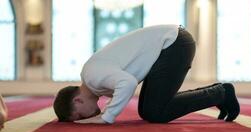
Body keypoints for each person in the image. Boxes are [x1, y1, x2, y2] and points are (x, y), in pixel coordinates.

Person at [53, 25, 240, 124]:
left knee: (155, 112)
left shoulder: (92, 76)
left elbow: (127, 83)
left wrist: (106, 117)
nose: (83, 120)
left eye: (78, 117)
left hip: (174, 44)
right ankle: (220, 92)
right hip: (171, 45)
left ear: (77, 101)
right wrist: (107, 111)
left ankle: (222, 94)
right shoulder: (93, 80)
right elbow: (122, 85)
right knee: (148, 111)